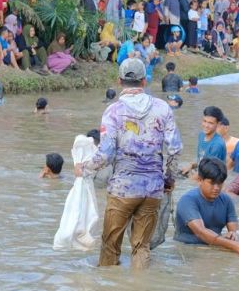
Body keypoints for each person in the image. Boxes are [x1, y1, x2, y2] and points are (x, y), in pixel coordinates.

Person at [76, 58, 183, 268]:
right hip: (153, 188)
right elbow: (174, 148)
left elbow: (105, 153)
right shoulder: (163, 108)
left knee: (110, 245)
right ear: (144, 81)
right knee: (141, 247)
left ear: (119, 81)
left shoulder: (113, 111)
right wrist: (169, 179)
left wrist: (84, 168)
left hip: (122, 188)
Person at [173, 157, 239, 254]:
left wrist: (233, 236)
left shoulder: (226, 201)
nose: (216, 188)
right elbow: (201, 232)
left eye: (220, 183)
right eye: (212, 183)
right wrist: (232, 244)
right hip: (187, 250)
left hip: (215, 248)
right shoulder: (188, 200)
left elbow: (235, 231)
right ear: (200, 180)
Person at [182, 105, 227, 176]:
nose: (206, 125)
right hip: (201, 172)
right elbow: (202, 159)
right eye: (204, 121)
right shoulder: (201, 135)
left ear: (218, 124)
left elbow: (211, 172)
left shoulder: (217, 145)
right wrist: (191, 166)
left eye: (210, 123)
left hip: (211, 180)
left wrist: (192, 177)